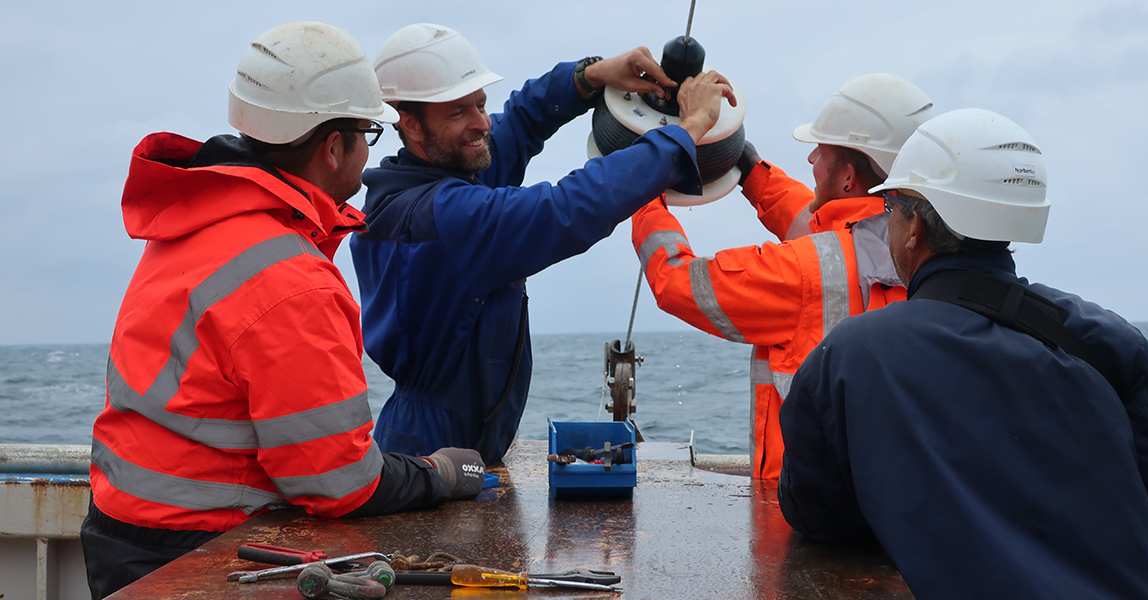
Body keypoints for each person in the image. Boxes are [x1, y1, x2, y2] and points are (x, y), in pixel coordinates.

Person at [83, 22, 486, 599]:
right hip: (203, 552)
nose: (371, 149)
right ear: (331, 146)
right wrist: (440, 474)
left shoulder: (196, 224)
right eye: (368, 131)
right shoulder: (290, 282)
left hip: (118, 534)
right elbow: (336, 482)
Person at [777, 108, 1148, 599]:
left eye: (891, 208)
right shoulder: (1111, 341)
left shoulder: (849, 354)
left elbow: (816, 513)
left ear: (914, 227)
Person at [350, 23, 736, 464]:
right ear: (409, 124)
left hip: (459, 442)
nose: (481, 123)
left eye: (481, 104)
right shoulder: (442, 217)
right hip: (427, 450)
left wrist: (591, 75)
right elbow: (568, 207)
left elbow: (520, 121)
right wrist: (685, 131)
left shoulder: (438, 177)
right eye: (458, 112)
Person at [632, 74, 933, 478]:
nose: (811, 160)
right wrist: (750, 169)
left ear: (847, 177)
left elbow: (676, 279)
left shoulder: (804, 271)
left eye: (820, 151)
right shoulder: (922, 248)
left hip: (804, 515)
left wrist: (640, 188)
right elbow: (820, 225)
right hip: (892, 499)